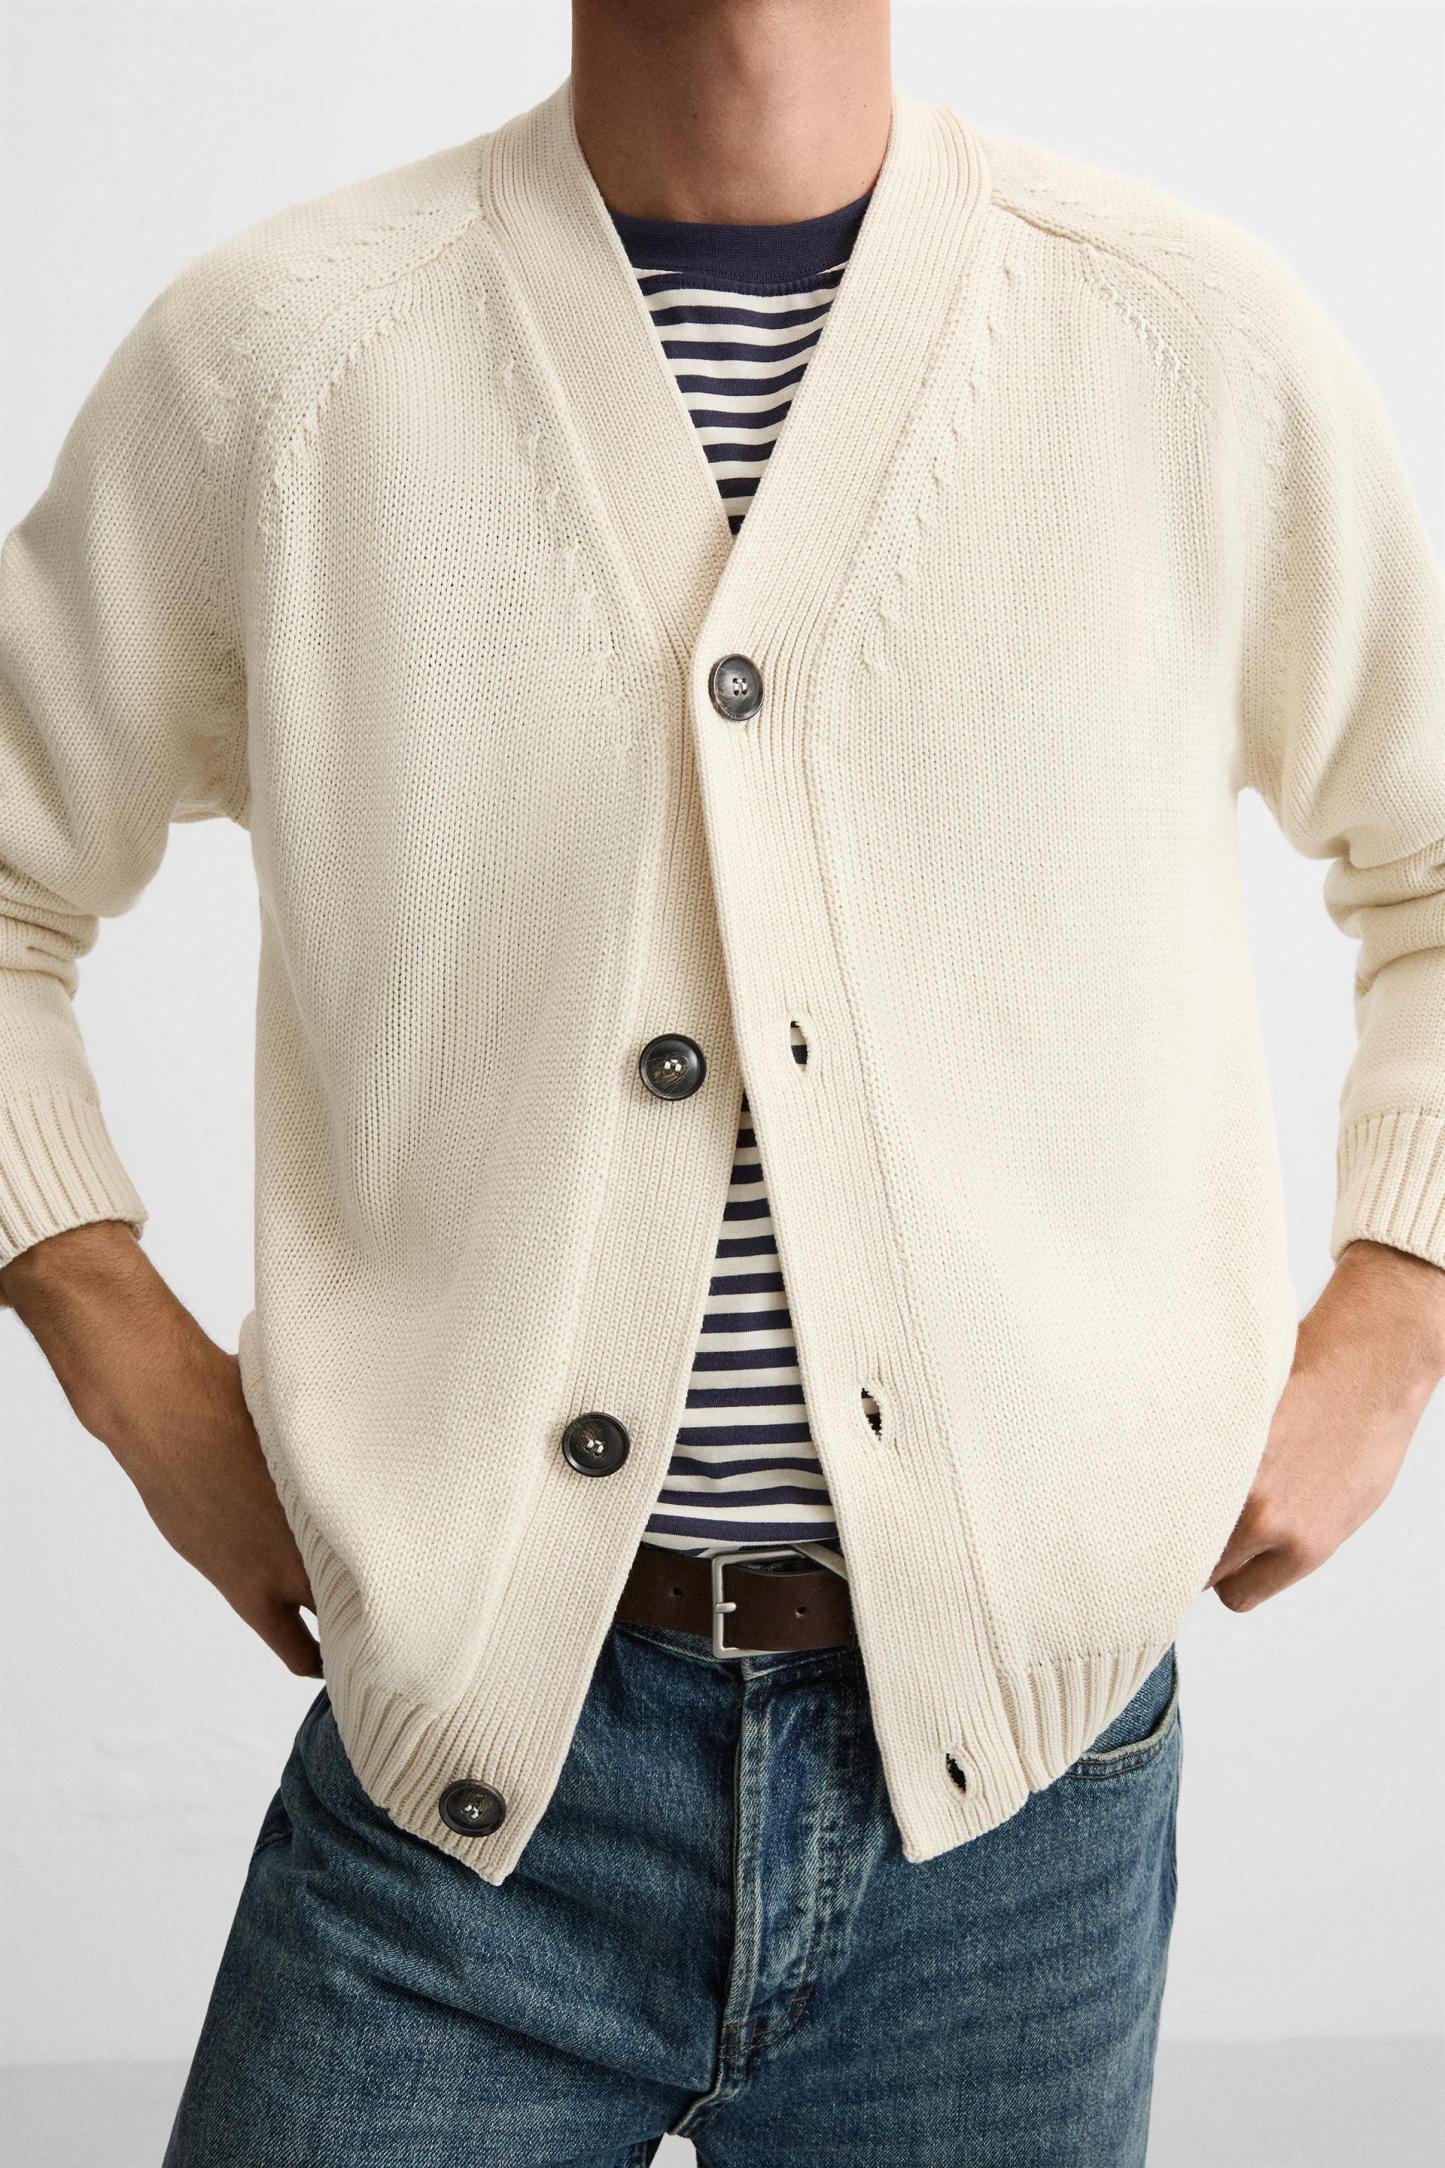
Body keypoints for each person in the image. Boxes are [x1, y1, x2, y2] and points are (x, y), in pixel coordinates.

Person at [2, 2, 1441, 2162]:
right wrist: (121, 1352)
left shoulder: (1185, 344)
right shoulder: (284, 363)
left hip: (1022, 1812)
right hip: (466, 1780)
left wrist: (1395, 1313)